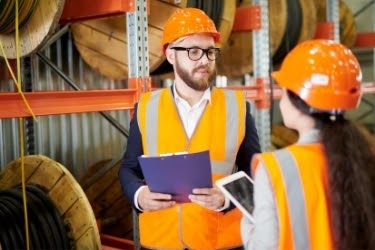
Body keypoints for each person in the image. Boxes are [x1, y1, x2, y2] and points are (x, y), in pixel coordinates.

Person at [118, 7, 261, 250]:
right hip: (160, 242)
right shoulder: (146, 108)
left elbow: (256, 172)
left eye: (209, 52)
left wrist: (226, 197)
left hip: (219, 242)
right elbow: (128, 169)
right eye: (194, 52)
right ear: (171, 55)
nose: (205, 60)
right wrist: (139, 196)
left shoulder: (236, 108)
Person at [241, 39, 375, 250]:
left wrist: (248, 224)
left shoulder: (275, 168)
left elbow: (264, 246)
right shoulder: (366, 153)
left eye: (283, 90)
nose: (281, 100)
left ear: (298, 98)